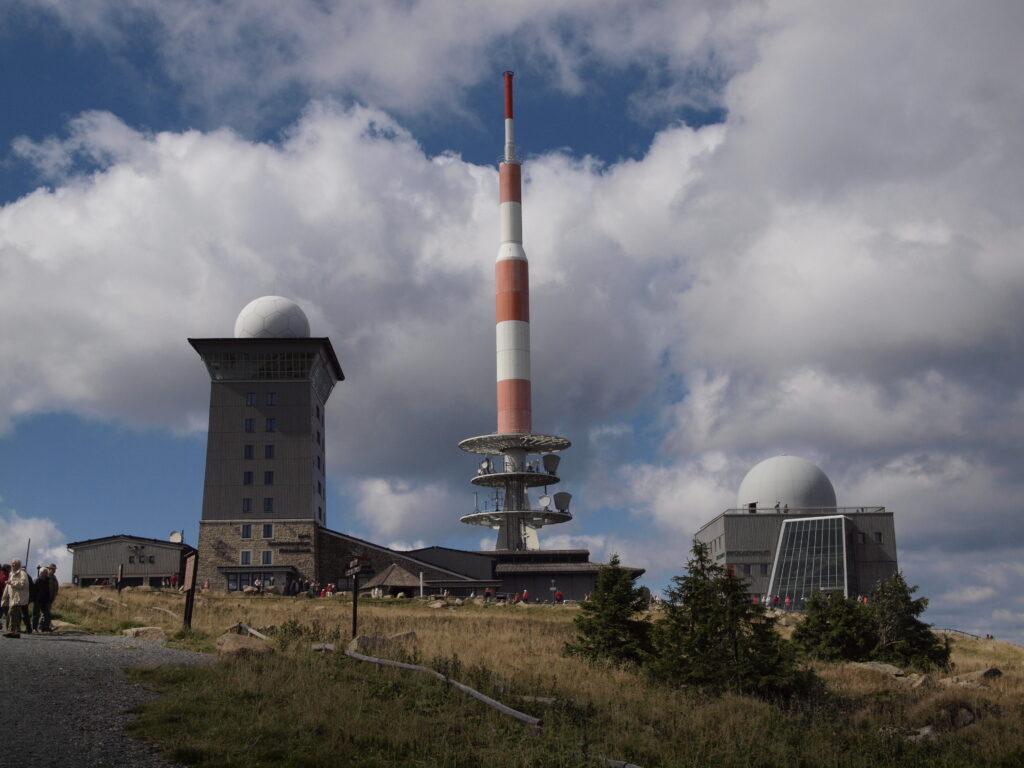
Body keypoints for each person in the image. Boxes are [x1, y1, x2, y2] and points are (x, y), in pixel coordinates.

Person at [3, 558, 31, 638]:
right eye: (12, 563)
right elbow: (8, 586)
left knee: (12, 612)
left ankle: (12, 631)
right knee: (16, 614)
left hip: (18, 598)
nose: (12, 565)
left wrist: (12, 582)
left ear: (18, 565)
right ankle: (17, 631)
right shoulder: (11, 573)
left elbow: (23, 584)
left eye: (14, 563)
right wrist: (5, 597)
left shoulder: (22, 573)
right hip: (12, 597)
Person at [32, 567, 52, 632]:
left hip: (45, 600)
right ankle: (34, 628)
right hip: (37, 600)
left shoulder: (47, 581)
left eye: (46, 573)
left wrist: (48, 599)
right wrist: (35, 598)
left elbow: (48, 591)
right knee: (36, 614)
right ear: (40, 573)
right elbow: (34, 591)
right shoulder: (37, 581)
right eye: (44, 573)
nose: (45, 574)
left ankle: (45, 627)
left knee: (47, 614)